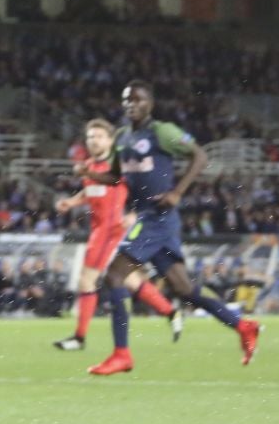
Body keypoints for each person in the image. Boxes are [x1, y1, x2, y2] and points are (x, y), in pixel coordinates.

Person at [77, 81, 262, 375]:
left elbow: (200, 156)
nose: (131, 105)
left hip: (157, 217)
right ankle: (243, 326)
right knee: (184, 289)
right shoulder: (123, 136)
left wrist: (177, 192)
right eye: (127, 100)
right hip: (151, 219)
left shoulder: (162, 132)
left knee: (114, 276)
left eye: (137, 100)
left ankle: (122, 354)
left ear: (149, 103)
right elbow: (115, 177)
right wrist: (90, 174)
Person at [53, 119, 182, 351]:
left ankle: (79, 338)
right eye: (90, 137)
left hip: (110, 231)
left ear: (111, 141)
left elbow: (138, 188)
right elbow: (90, 189)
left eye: (99, 137)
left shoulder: (120, 165)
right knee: (131, 280)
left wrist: (134, 213)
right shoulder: (90, 165)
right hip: (99, 229)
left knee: (87, 279)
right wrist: (72, 202)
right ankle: (171, 312)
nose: (94, 141)